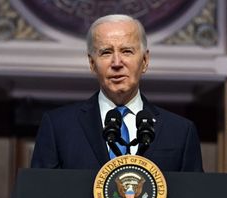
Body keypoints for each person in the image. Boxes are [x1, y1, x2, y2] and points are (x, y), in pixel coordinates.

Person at [31, 14, 203, 172]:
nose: (117, 63)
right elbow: (40, 197)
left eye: (127, 51)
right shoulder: (58, 127)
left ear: (144, 61)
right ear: (92, 64)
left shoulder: (181, 131)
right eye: (106, 52)